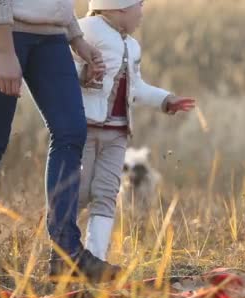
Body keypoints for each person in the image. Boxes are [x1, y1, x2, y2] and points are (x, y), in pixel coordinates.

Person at [0, 0, 121, 282]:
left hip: (51, 37)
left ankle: (65, 254)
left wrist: (75, 36)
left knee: (71, 132)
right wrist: (5, 50)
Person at [76, 0, 195, 261]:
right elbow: (61, 70)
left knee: (106, 194)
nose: (142, 11)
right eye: (139, 5)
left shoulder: (132, 45)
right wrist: (83, 73)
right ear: (119, 6)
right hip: (84, 128)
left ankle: (95, 260)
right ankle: (64, 253)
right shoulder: (83, 31)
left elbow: (136, 88)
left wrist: (166, 99)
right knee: (79, 192)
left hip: (117, 132)